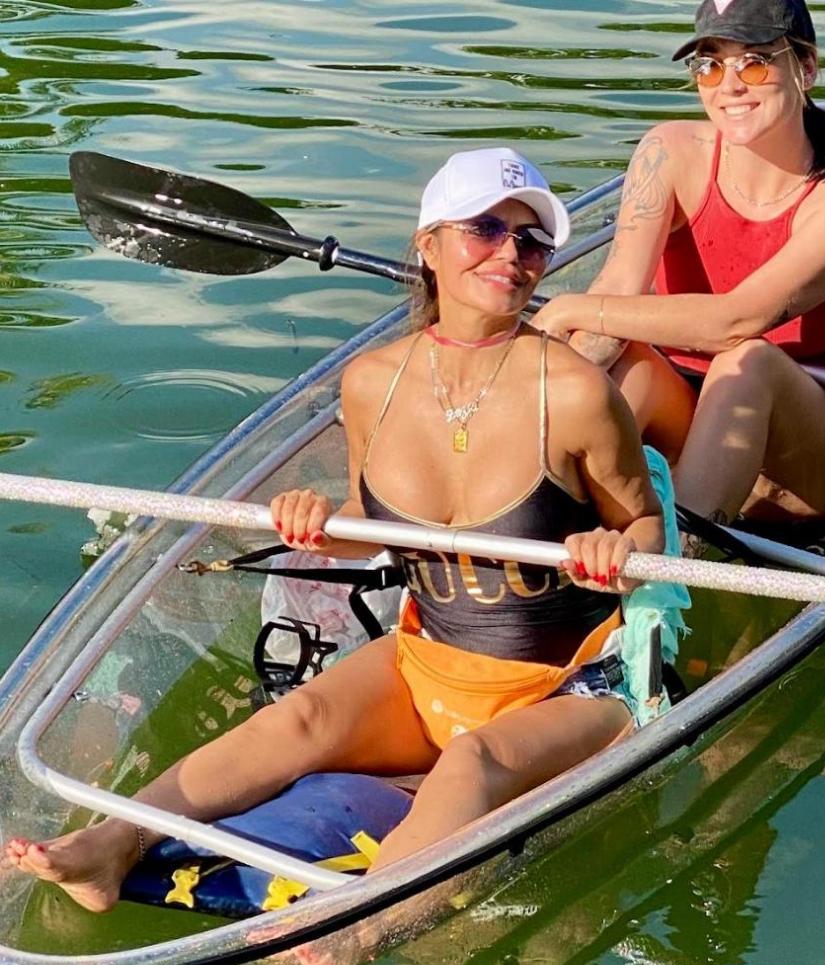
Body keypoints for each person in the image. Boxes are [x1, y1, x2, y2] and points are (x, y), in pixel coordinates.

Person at [4, 147, 665, 913]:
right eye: (485, 229)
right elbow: (376, 530)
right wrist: (320, 527)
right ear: (429, 245)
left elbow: (648, 528)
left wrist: (617, 548)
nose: (511, 255)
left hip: (569, 688)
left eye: (532, 241)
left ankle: (351, 928)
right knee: (302, 715)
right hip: (431, 660)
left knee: (470, 763)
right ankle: (112, 847)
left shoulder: (577, 392)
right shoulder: (370, 384)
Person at [532, 0, 825, 539]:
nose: (729, 85)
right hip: (688, 415)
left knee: (747, 363)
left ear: (807, 68)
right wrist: (529, 383)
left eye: (754, 62)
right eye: (709, 64)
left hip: (818, 455)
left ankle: (668, 562)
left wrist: (565, 308)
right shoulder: (669, 150)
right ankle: (525, 512)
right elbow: (617, 290)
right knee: (615, 364)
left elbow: (737, 320)